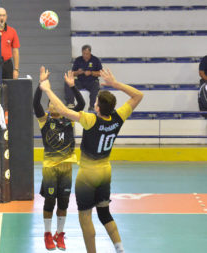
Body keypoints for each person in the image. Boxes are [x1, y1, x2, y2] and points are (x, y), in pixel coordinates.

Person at [40, 67, 143, 253]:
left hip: (87, 175)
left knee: (85, 218)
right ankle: (120, 249)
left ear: (97, 107)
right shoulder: (118, 117)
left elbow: (62, 110)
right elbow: (138, 96)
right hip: (105, 173)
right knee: (105, 214)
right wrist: (115, 83)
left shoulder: (91, 120)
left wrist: (47, 89)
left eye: (95, 102)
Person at [34, 66, 85, 251]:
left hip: (66, 168)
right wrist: (41, 85)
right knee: (49, 202)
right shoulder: (44, 121)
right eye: (51, 104)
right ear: (48, 107)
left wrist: (72, 87)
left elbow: (81, 105)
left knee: (64, 202)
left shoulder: (68, 118)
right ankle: (47, 234)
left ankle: (60, 234)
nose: (54, 105)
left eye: (57, 104)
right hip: (50, 168)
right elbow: (35, 104)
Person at [65, 45, 102, 111]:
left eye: (87, 54)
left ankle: (92, 106)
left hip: (91, 82)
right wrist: (78, 72)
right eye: (83, 53)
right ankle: (70, 104)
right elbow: (72, 73)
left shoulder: (95, 60)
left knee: (96, 85)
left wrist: (91, 73)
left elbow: (100, 73)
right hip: (80, 81)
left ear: (90, 52)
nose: (85, 55)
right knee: (68, 82)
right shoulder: (78, 60)